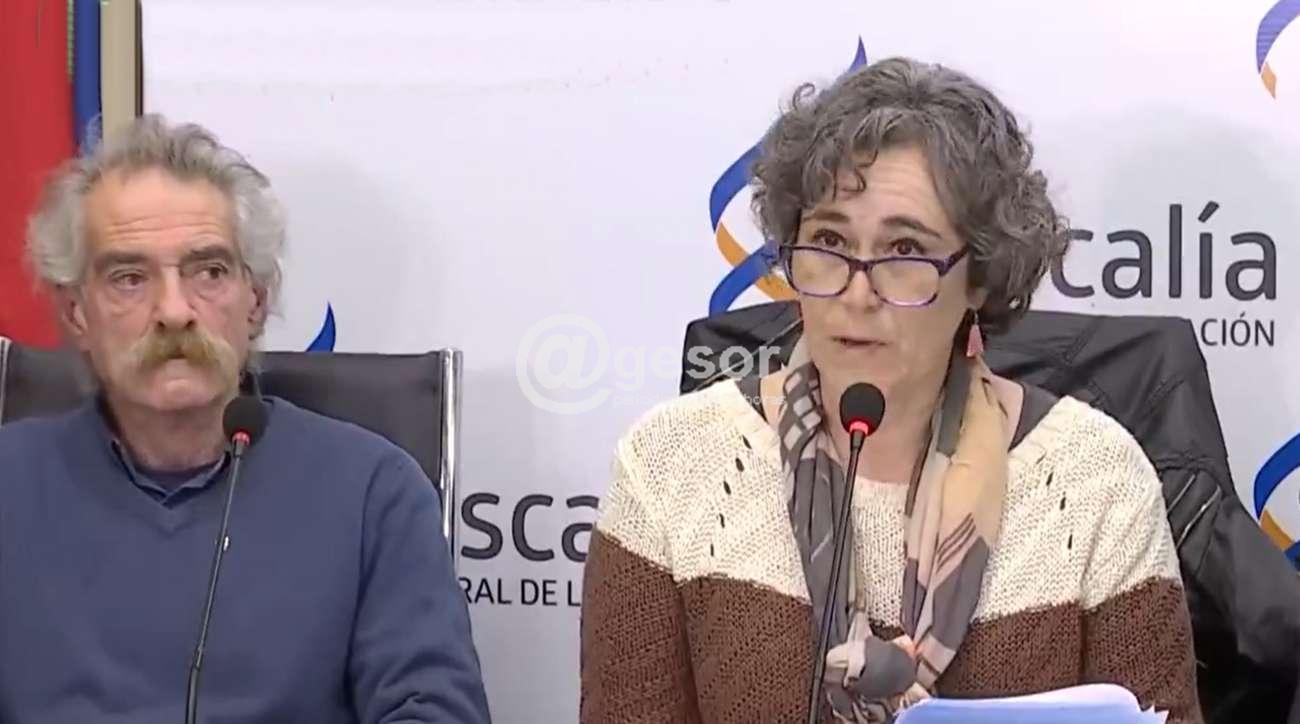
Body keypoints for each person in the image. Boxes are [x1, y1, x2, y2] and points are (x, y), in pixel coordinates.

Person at [580, 57, 1201, 723]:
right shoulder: (670, 465)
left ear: (980, 277)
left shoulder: (1097, 479)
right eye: (828, 241)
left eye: (904, 251)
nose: (856, 292)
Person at [0, 115, 492, 723]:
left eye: (208, 271)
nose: (174, 311)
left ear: (255, 301)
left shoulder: (374, 493)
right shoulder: (10, 485)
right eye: (130, 278)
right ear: (77, 313)